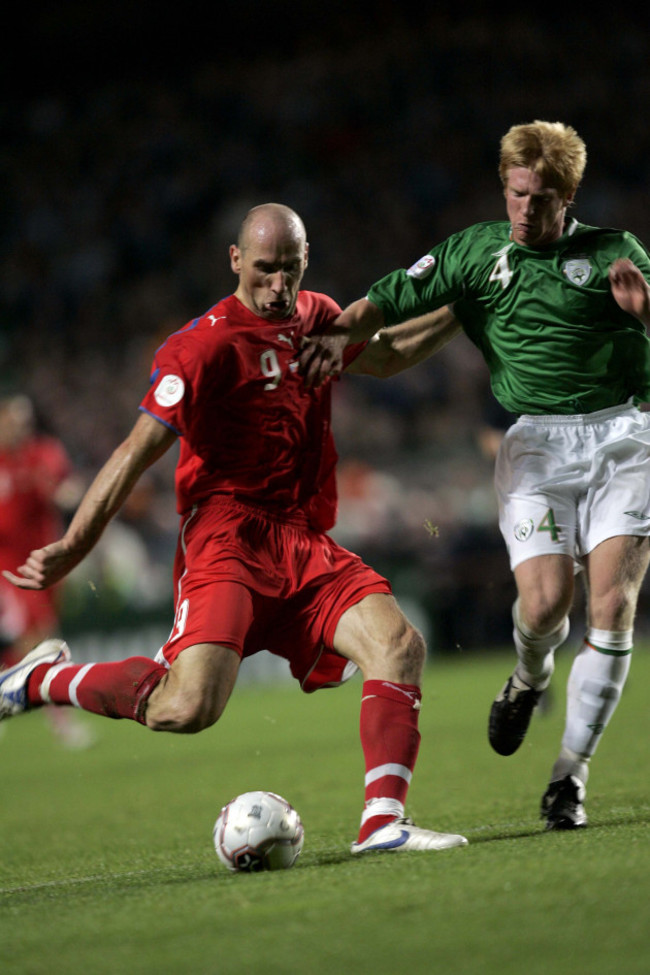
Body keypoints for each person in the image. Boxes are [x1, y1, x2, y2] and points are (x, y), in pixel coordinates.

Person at [0, 203, 468, 855]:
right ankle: (40, 678)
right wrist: (75, 544)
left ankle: (382, 822)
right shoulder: (204, 346)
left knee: (399, 646)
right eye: (267, 270)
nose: (280, 286)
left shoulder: (317, 317)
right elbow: (136, 451)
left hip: (301, 537)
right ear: (236, 260)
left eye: (292, 270)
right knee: (185, 708)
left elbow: (387, 356)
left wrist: (464, 309)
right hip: (227, 538)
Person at [300, 121, 650, 830]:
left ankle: (568, 778)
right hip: (537, 448)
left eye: (541, 197)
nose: (525, 208)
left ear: (569, 194)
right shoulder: (473, 253)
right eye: (516, 193)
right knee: (547, 605)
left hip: (625, 435)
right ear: (504, 186)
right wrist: (335, 335)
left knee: (610, 606)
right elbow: (390, 301)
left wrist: (645, 312)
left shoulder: (617, 254)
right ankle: (530, 674)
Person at [0, 394, 92, 748]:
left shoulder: (44, 453)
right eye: (12, 420)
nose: (19, 427)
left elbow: (65, 487)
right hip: (10, 566)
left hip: (47, 561)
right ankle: (62, 721)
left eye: (24, 420)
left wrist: (71, 495)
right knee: (39, 637)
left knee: (26, 640)